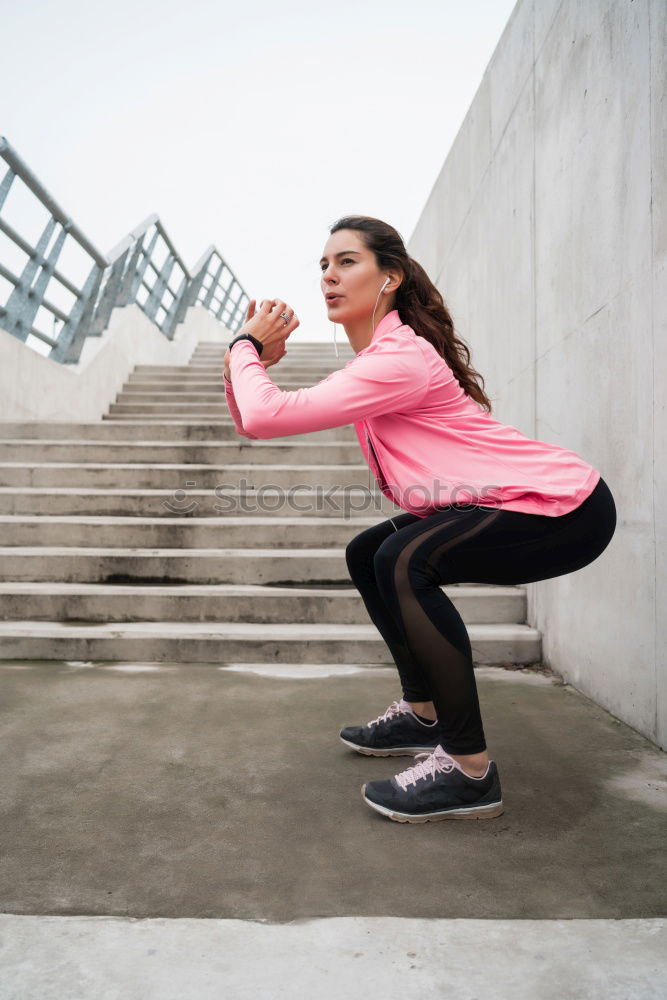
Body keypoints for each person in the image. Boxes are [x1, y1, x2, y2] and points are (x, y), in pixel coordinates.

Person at [222, 215, 617, 825]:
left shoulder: (400, 358)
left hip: (565, 506)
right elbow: (256, 416)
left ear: (390, 277)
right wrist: (253, 364)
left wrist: (244, 348)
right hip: (505, 502)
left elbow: (268, 415)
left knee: (404, 560)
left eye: (346, 261)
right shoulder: (379, 359)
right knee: (368, 552)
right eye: (323, 265)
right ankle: (422, 711)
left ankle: (467, 770)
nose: (328, 275)